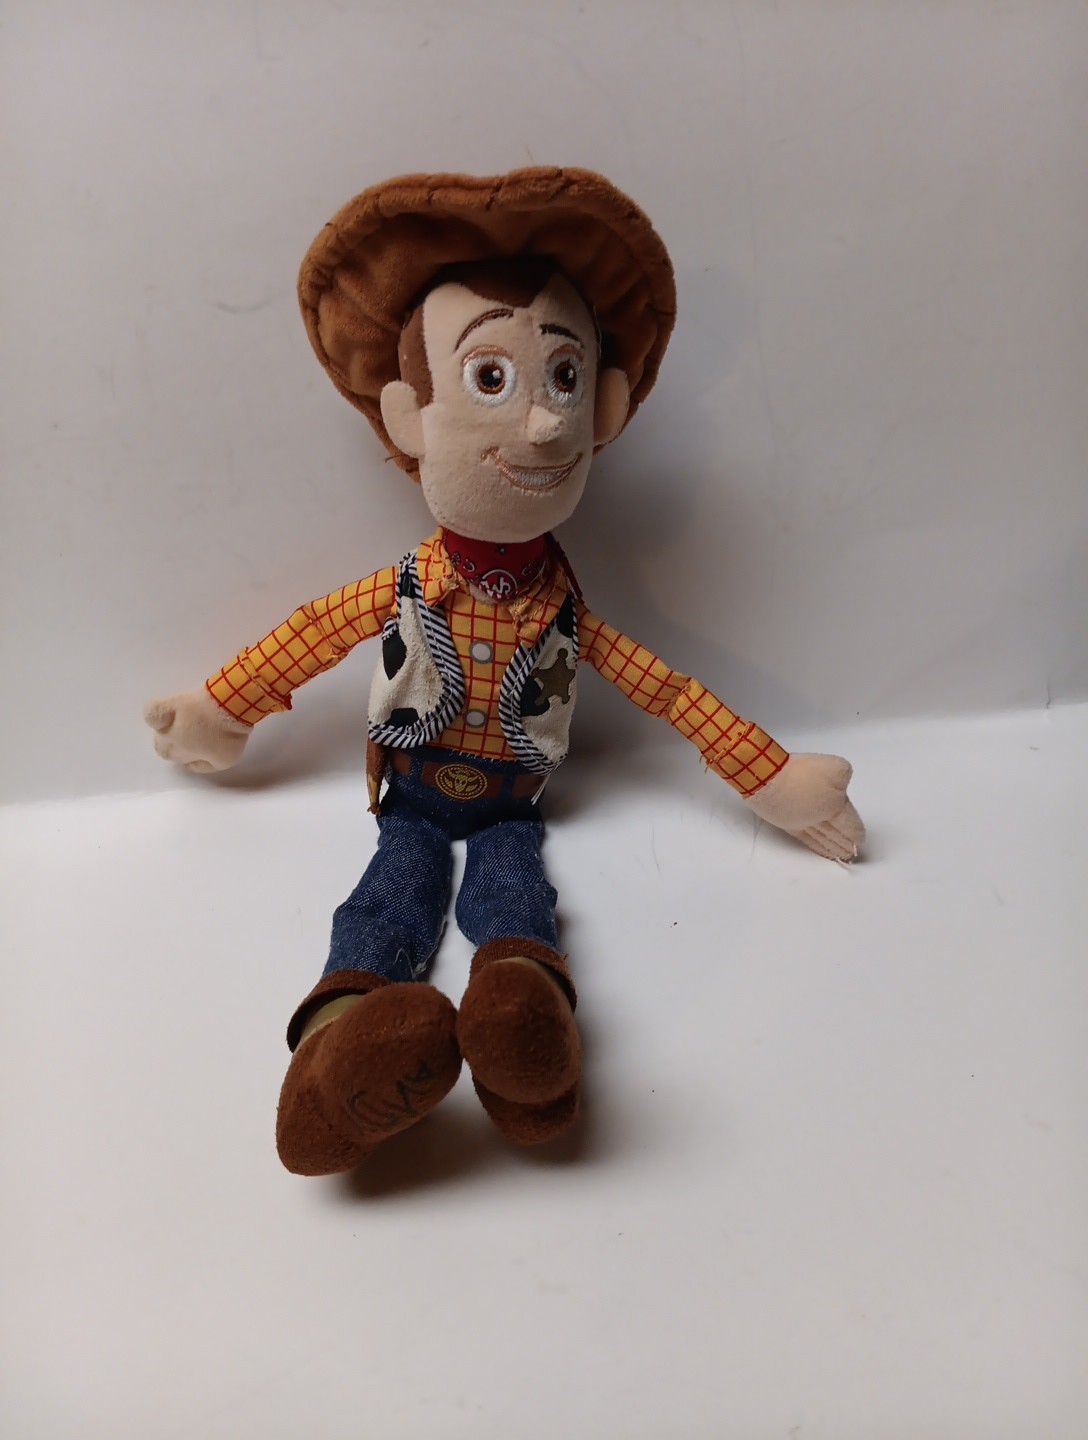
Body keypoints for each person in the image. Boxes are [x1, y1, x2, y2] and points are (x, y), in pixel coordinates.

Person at [145, 168, 864, 1176]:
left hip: (509, 806)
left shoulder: (564, 613)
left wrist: (770, 776)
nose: (541, 424)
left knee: (515, 901)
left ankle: (527, 1040)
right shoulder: (406, 587)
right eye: (491, 378)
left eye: (563, 380)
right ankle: (337, 1061)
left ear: (602, 406)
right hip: (411, 795)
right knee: (387, 898)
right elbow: (311, 633)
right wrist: (223, 707)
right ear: (410, 416)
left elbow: (665, 690)